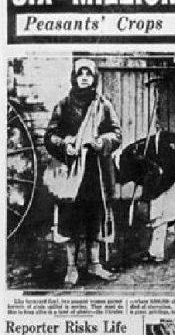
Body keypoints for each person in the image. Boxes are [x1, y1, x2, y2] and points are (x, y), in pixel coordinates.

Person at [43, 57, 122, 287]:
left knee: (95, 217)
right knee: (71, 219)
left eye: (88, 74)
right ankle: (71, 268)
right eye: (80, 74)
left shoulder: (103, 105)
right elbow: (50, 136)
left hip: (96, 172)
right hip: (71, 172)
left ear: (94, 78)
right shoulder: (64, 105)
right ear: (74, 78)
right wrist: (64, 145)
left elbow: (116, 134)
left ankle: (95, 264)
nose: (84, 78)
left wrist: (102, 142)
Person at [116, 130, 175, 263]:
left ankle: (155, 253)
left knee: (161, 208)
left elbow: (155, 177)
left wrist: (152, 194)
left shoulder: (128, 158)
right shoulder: (132, 152)